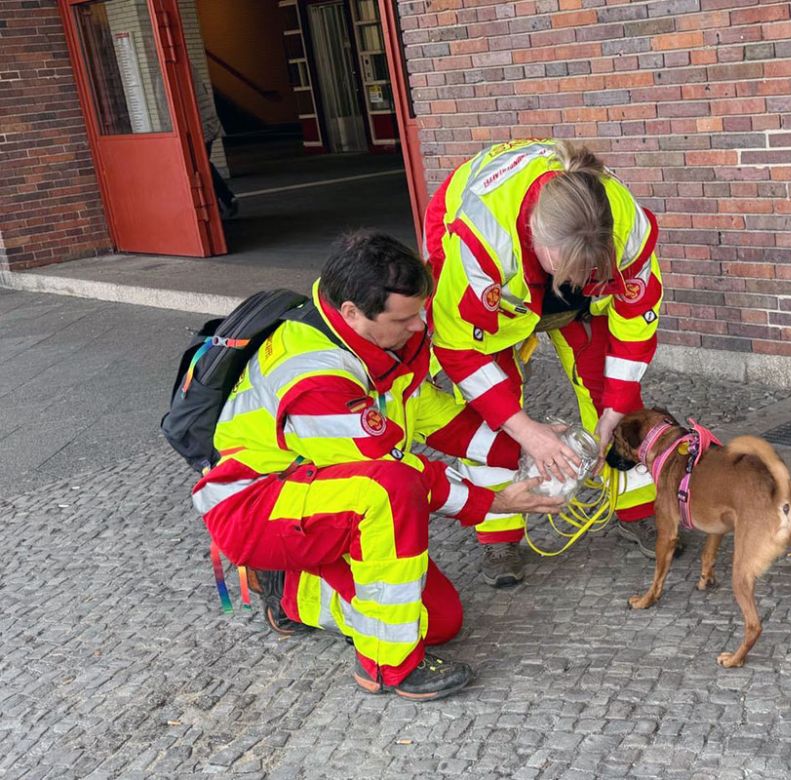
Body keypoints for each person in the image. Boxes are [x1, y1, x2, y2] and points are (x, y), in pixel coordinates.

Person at [192, 232, 563, 700]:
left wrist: (530, 448)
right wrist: (496, 501)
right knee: (390, 489)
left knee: (441, 621)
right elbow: (397, 471)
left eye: (420, 311)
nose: (419, 326)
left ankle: (292, 591)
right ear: (352, 312)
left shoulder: (376, 337)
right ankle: (388, 667)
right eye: (405, 318)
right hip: (256, 506)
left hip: (321, 496)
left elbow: (426, 411)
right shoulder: (313, 375)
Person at [423, 139, 665, 586]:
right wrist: (527, 431)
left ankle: (635, 507)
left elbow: (634, 322)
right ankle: (498, 535)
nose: (573, 279)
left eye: (586, 271)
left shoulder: (625, 222)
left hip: (571, 282)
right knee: (491, 410)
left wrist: (616, 407)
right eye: (567, 270)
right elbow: (460, 349)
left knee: (609, 392)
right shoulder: (481, 241)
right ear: (537, 239)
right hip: (490, 292)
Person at [196, 78, 239, 219]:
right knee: (205, 165)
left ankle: (219, 204)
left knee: (201, 167)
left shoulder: (164, 79)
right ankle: (225, 200)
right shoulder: (193, 71)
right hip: (209, 126)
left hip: (197, 130)